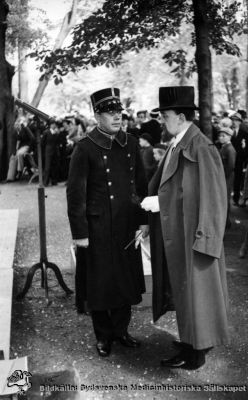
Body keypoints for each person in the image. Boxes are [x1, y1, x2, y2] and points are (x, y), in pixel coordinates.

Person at [141, 86, 229, 370]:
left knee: (197, 295)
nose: (161, 120)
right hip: (180, 233)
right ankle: (190, 341)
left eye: (165, 115)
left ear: (181, 116)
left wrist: (207, 240)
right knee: (185, 293)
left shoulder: (201, 146)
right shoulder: (179, 141)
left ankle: (196, 353)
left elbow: (214, 198)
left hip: (195, 236)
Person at [67, 88, 148, 358]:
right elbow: (75, 193)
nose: (117, 117)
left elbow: (142, 186)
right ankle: (103, 336)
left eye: (119, 112)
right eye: (110, 113)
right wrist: (80, 233)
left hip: (126, 224)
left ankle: (121, 330)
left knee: (125, 280)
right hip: (98, 227)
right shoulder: (85, 147)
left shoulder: (131, 143)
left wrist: (144, 220)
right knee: (100, 283)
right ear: (97, 115)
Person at [218, 127, 236, 228]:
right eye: (220, 135)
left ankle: (226, 221)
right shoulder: (224, 147)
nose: (221, 138)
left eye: (223, 136)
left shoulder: (230, 149)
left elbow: (230, 165)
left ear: (229, 137)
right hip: (224, 176)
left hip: (227, 177)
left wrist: (224, 177)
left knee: (225, 198)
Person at [230, 112, 248, 206]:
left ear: (239, 122)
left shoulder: (244, 133)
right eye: (232, 120)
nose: (234, 122)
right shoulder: (228, 132)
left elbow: (246, 148)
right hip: (229, 159)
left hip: (239, 160)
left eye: (236, 120)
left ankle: (236, 198)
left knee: (238, 178)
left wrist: (245, 160)